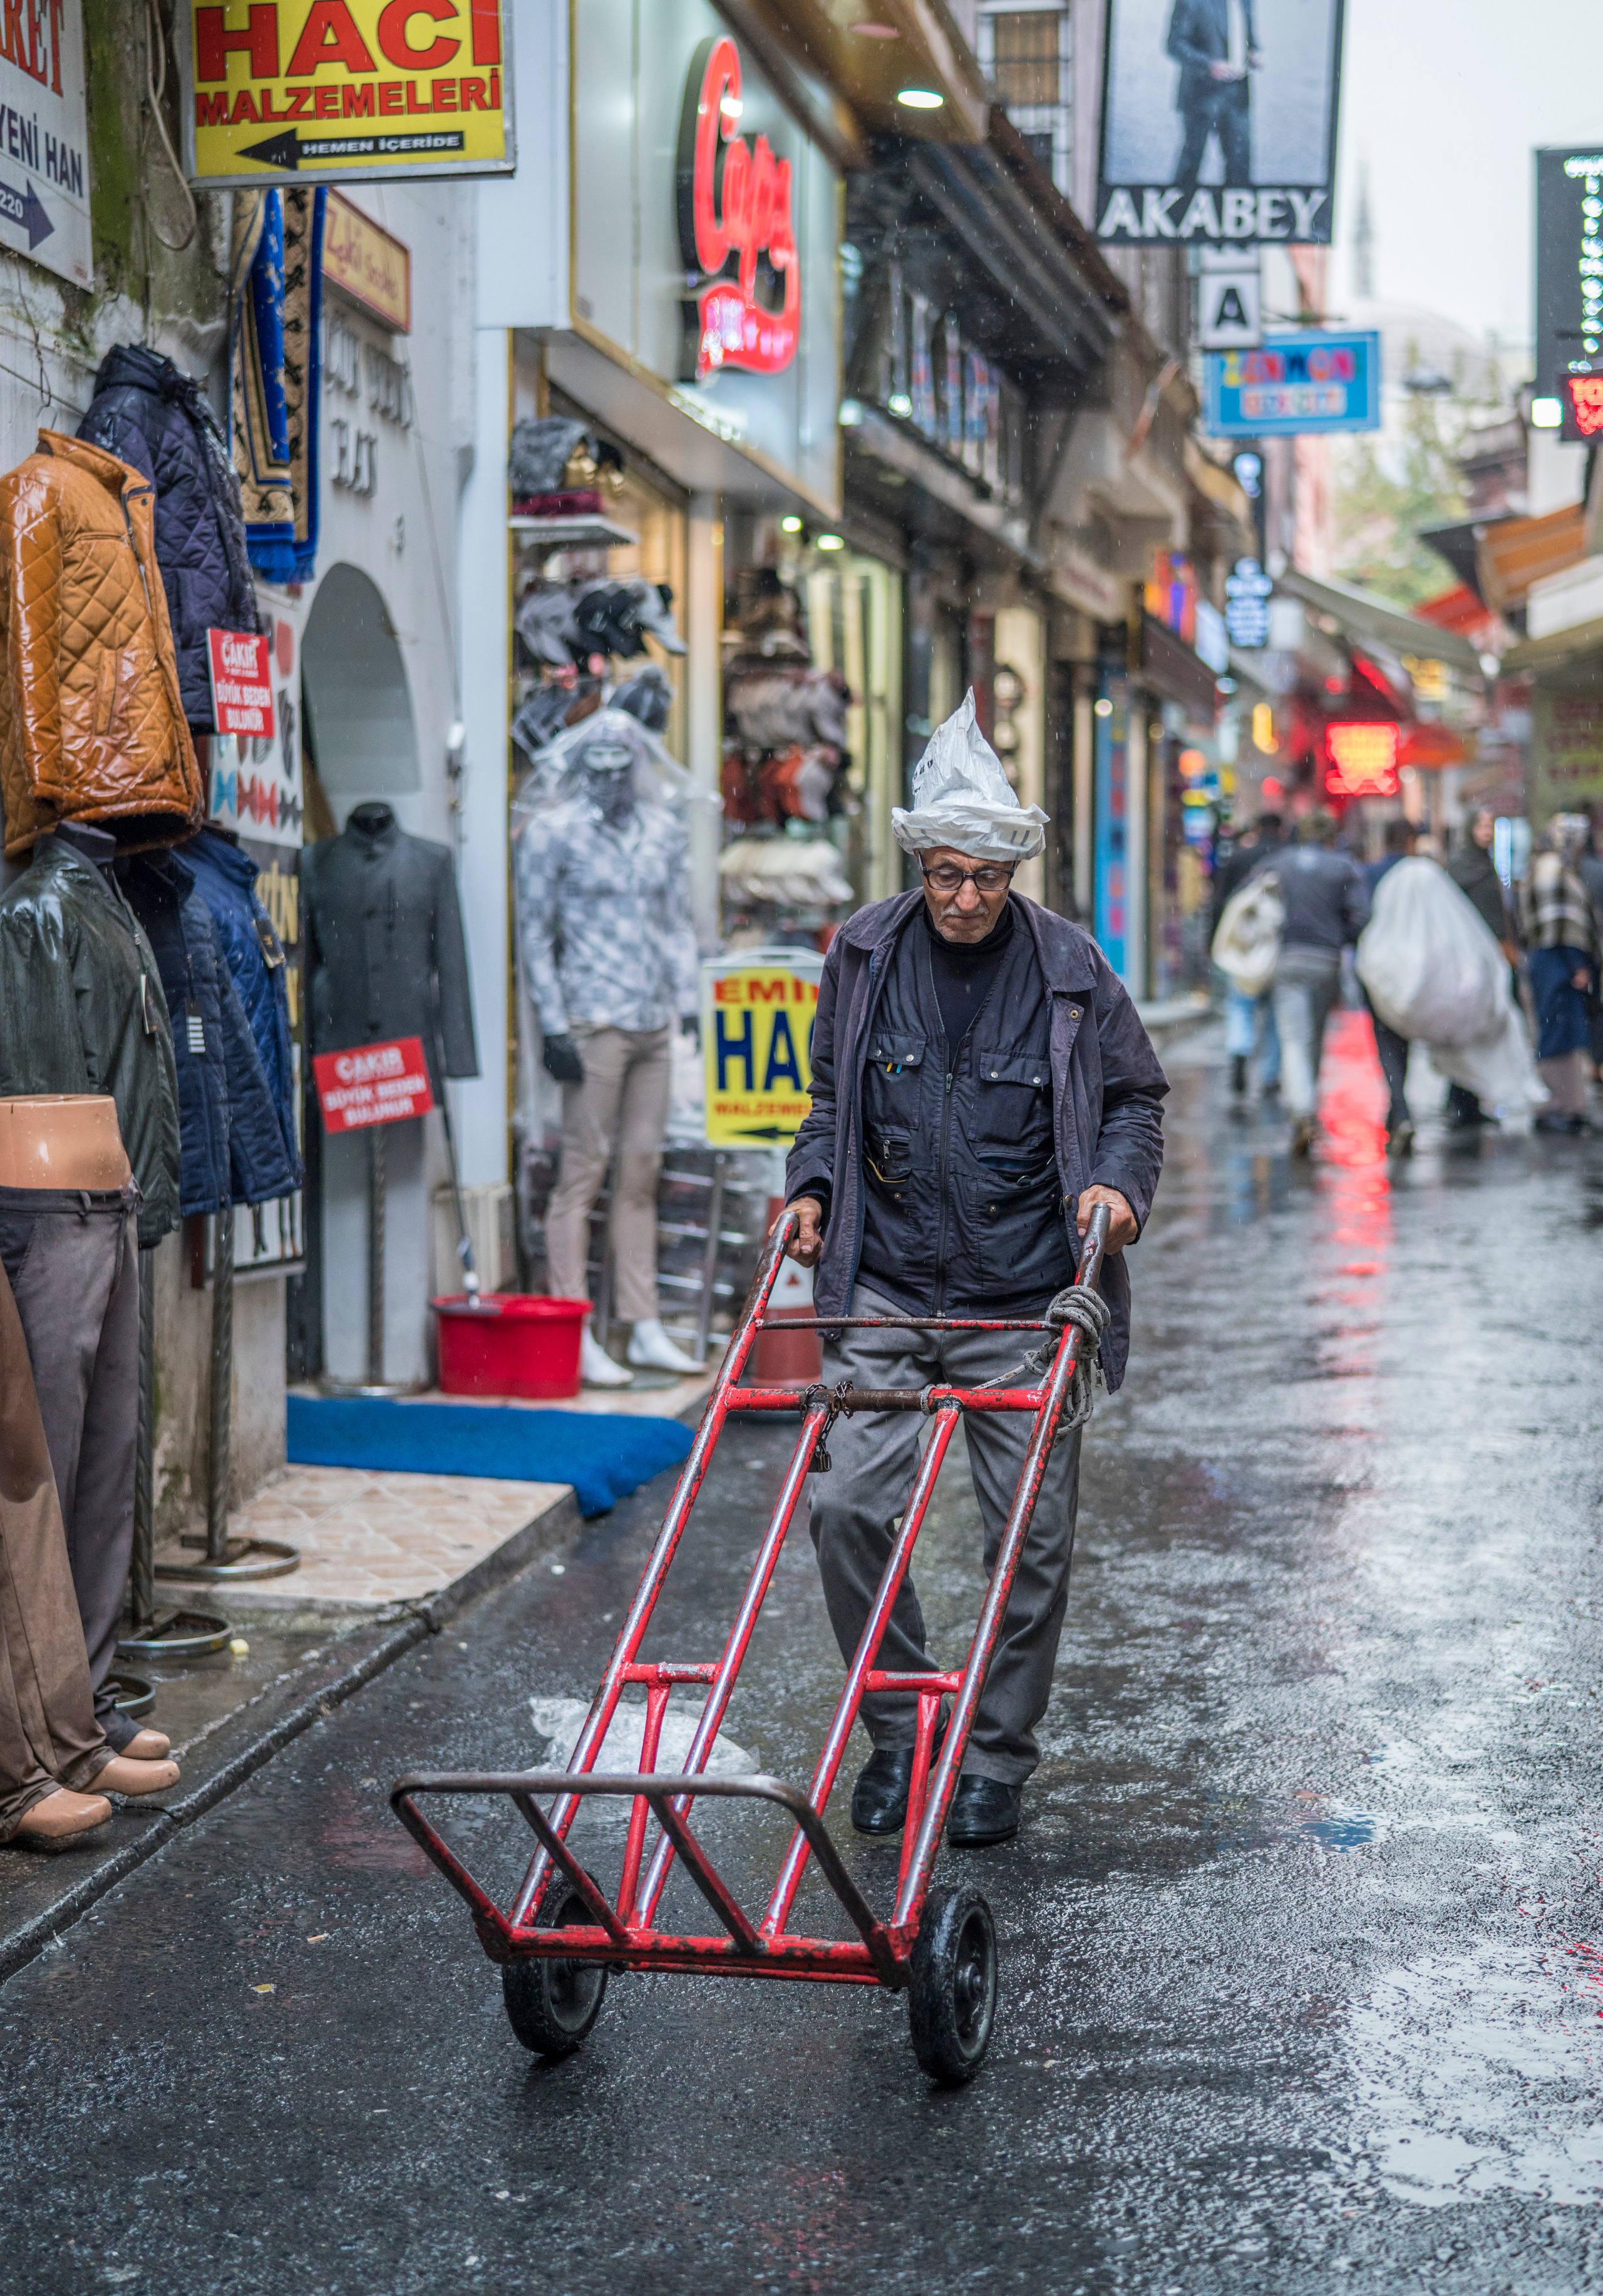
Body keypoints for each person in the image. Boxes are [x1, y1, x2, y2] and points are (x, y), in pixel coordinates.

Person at [780, 693, 1167, 1849]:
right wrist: (809, 1191)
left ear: (1014, 870)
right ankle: (903, 1733)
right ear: (919, 864)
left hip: (1025, 1295)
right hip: (888, 1280)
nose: (966, 897)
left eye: (987, 878)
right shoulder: (860, 953)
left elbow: (1138, 1098)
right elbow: (827, 1108)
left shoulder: (1071, 967)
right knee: (848, 1505)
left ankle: (995, 1751)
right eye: (948, 875)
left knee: (1031, 1541)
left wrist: (1118, 1187)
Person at [1258, 809, 1368, 1157]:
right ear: (1331, 837)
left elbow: (1255, 900)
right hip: (1327, 960)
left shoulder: (1280, 863)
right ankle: (1309, 1108)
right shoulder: (1343, 868)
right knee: (1315, 1040)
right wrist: (1342, 935)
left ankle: (1302, 1111)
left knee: (1293, 1038)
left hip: (1289, 957)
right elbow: (1362, 915)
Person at [1517, 813, 1599, 1135]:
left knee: (1559, 1031)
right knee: (1558, 1033)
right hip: (1557, 963)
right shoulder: (1554, 869)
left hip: (1550, 962)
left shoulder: (1543, 866)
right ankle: (1554, 1105)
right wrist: (1576, 964)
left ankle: (1564, 1105)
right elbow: (1558, 924)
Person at [1445, 809, 1514, 1129]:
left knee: (1481, 1032)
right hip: (1467, 962)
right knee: (1466, 1031)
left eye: (1491, 825)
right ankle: (1460, 1101)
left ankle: (1471, 1099)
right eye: (1482, 825)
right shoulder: (1462, 867)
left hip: (1489, 961)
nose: (1487, 831)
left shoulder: (1488, 865)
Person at [1212, 810, 1284, 1100]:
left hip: (1242, 947)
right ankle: (1270, 1075)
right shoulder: (1285, 858)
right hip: (1276, 949)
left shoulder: (1240, 857)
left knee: (1240, 1005)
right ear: (1280, 829)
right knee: (1275, 1015)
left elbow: (1220, 900)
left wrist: (1213, 940)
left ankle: (1239, 1049)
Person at [1362, 818, 1418, 1155]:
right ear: (1410, 841)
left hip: (1379, 969)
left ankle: (1400, 1109)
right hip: (1413, 969)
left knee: (1386, 1040)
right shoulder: (1420, 873)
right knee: (1404, 1038)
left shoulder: (1368, 874)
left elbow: (1359, 918)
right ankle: (1399, 1108)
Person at [1166, 0, 1260, 194]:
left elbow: (1246, 35)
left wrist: (1254, 52)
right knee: (1191, 164)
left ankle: (1236, 219)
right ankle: (1178, 215)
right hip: (1201, 97)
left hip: (1237, 96)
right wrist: (1209, 66)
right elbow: (1175, 44)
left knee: (1240, 166)